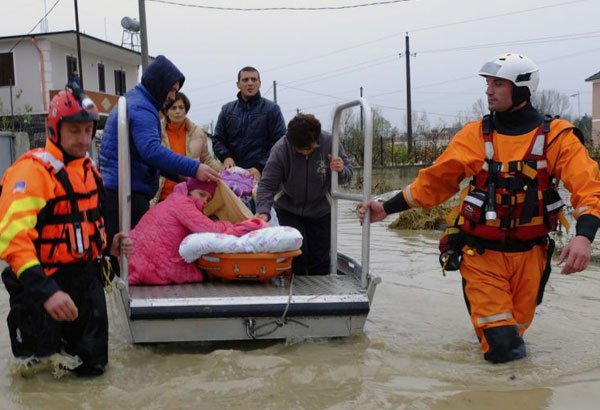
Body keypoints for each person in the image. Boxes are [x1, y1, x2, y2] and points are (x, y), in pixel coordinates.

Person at [359, 53, 600, 364]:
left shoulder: (557, 137)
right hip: (481, 256)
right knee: (505, 349)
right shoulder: (473, 136)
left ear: (522, 88)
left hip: (531, 258)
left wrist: (584, 236)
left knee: (513, 337)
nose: (488, 91)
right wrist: (386, 207)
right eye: (488, 83)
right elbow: (433, 183)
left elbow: (588, 187)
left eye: (498, 84)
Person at [0, 85, 133, 376]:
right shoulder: (31, 172)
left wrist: (107, 245)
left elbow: (80, 225)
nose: (84, 139)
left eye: (88, 130)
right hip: (40, 285)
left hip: (85, 282)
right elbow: (12, 240)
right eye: (75, 130)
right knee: (39, 376)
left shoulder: (89, 170)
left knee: (94, 370)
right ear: (55, 129)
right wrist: (48, 292)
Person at [100, 55, 220, 235]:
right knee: (132, 255)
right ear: (159, 84)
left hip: (124, 190)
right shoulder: (142, 108)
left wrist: (181, 175)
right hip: (127, 195)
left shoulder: (138, 102)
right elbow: (151, 151)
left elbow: (143, 154)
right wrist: (194, 168)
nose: (172, 97)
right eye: (171, 90)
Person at [255, 113, 352, 275]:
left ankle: (321, 295)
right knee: (298, 256)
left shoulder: (331, 144)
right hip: (289, 208)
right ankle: (296, 295)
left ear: (317, 139)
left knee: (320, 259)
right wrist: (263, 211)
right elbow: (266, 185)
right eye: (300, 150)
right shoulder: (281, 150)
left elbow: (349, 175)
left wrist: (341, 170)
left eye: (309, 149)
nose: (306, 153)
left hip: (321, 209)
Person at [128, 179, 267, 285]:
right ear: (189, 190)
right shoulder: (183, 204)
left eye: (208, 199)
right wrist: (237, 225)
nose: (205, 201)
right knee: (205, 274)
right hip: (156, 268)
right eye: (201, 194)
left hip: (134, 263)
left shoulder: (170, 201)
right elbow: (211, 231)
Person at [212, 66, 287, 182]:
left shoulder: (272, 110)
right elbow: (217, 139)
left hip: (264, 177)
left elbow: (280, 143)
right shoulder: (227, 110)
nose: (250, 83)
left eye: (254, 79)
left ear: (260, 83)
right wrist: (226, 157)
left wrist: (259, 167)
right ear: (238, 84)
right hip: (233, 176)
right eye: (245, 80)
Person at [152, 91, 222, 204]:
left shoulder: (198, 133)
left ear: (186, 110)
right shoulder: (155, 132)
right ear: (166, 111)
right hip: (161, 196)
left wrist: (224, 172)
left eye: (181, 107)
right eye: (173, 108)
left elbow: (207, 159)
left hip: (189, 196)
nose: (178, 111)